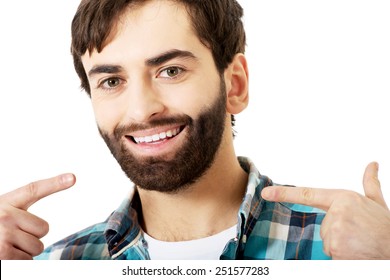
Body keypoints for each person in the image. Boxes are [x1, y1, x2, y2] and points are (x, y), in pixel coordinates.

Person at [0, 0, 389, 260]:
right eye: (112, 81)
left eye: (170, 71)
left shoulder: (348, 252)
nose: (141, 110)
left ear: (234, 84)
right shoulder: (57, 264)